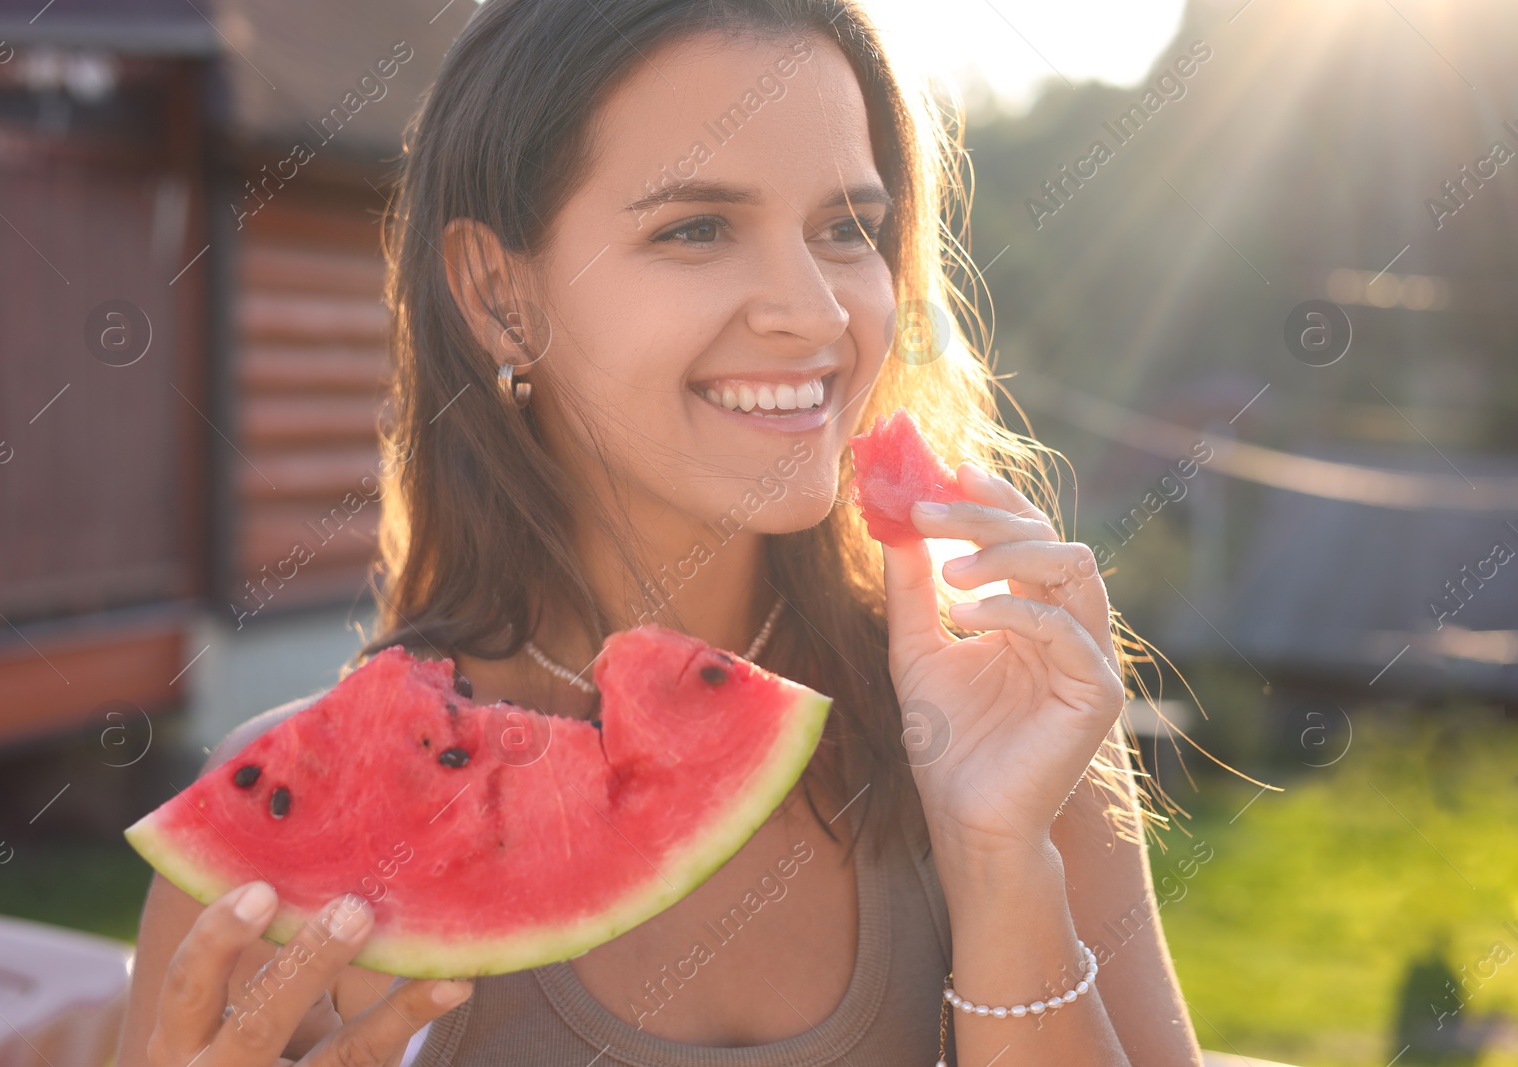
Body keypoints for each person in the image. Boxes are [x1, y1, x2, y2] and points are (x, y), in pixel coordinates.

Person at [117, 0, 1202, 1063]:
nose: (815, 311)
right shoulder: (292, 856)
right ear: (500, 297)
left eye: (847, 228)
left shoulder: (1002, 713)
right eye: (696, 227)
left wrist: (999, 860)